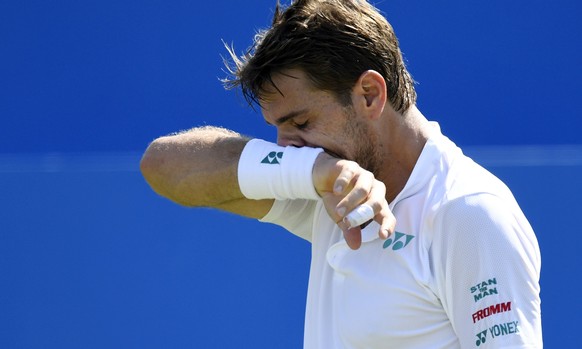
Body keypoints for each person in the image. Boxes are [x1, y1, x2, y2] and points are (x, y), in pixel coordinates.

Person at [140, 0, 542, 347]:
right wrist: (313, 170)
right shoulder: (321, 178)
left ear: (369, 94)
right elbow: (161, 166)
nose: (286, 148)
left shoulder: (470, 214)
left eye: (300, 122)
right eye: (277, 129)